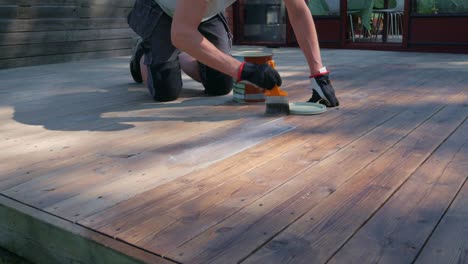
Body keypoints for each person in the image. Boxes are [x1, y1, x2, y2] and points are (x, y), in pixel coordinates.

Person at [128, 0, 339, 107]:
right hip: (160, 7)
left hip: (204, 10)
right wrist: (242, 70)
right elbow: (181, 33)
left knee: (220, 85)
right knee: (166, 91)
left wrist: (319, 73)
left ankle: (180, 57)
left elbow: (298, 11)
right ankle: (144, 55)